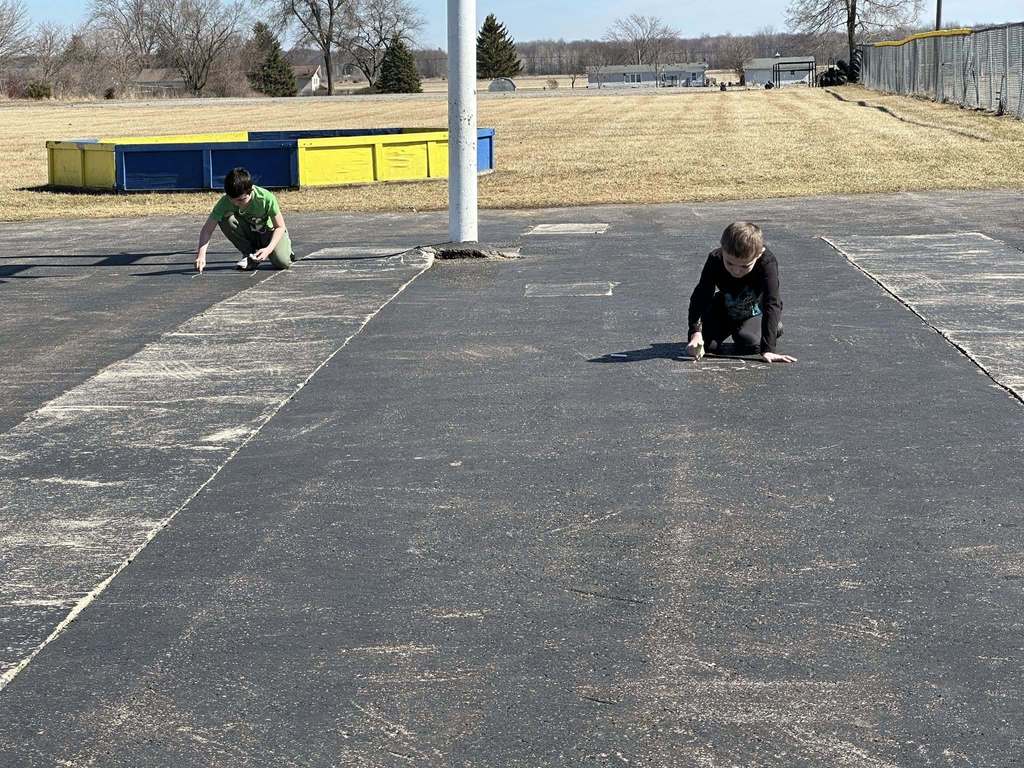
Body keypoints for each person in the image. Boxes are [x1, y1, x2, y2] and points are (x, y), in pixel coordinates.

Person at [686, 222, 797, 364]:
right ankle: (730, 328)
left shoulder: (767, 263)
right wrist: (695, 333)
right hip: (726, 305)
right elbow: (701, 296)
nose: (736, 271)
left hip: (754, 308)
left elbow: (772, 302)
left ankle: (774, 327)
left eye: (745, 266)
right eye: (730, 263)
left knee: (749, 343)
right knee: (706, 346)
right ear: (722, 249)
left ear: (759, 254)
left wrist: (768, 348)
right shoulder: (715, 259)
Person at [194, 167, 294, 273]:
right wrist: (201, 255)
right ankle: (249, 254)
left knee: (282, 263)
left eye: (242, 199)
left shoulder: (265, 198)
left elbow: (280, 226)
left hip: (269, 234)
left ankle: (286, 250)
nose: (238, 203)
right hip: (251, 233)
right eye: (234, 200)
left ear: (250, 190)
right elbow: (207, 229)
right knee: (224, 218)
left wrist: (268, 249)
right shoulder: (225, 202)